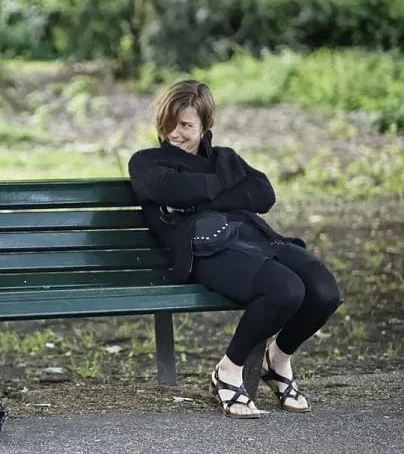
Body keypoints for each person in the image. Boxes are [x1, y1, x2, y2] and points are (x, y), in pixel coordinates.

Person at [128, 80, 342, 419]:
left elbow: (264, 194)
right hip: (202, 250)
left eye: (185, 125)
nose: (175, 132)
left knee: (325, 292)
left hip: (254, 238)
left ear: (204, 126)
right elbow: (174, 191)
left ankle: (278, 359)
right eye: (169, 123)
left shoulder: (225, 157)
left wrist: (205, 194)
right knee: (285, 290)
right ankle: (227, 371)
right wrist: (224, 185)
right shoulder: (147, 163)